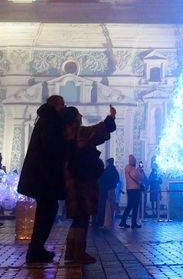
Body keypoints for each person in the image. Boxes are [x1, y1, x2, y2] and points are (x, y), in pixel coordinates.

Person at [61, 105, 116, 266]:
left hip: (71, 180)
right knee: (83, 217)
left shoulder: (64, 135)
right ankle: (79, 252)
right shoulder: (80, 133)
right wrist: (111, 117)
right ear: (73, 119)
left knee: (77, 218)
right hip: (83, 181)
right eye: (78, 115)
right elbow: (100, 130)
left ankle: (70, 251)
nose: (81, 116)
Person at [17, 94, 66, 263]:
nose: (64, 108)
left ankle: (36, 248)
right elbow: (52, 148)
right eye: (62, 105)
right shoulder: (51, 122)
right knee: (46, 213)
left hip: (41, 176)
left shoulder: (44, 119)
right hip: (45, 177)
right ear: (56, 106)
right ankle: (36, 250)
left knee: (45, 212)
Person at [120, 154, 145, 228]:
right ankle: (132, 223)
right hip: (134, 190)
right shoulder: (131, 168)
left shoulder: (128, 168)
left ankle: (124, 221)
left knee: (130, 206)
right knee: (134, 206)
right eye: (134, 160)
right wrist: (140, 170)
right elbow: (139, 176)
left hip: (130, 189)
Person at [95, 158, 120, 228]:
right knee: (111, 206)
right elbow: (118, 180)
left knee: (105, 206)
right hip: (112, 189)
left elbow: (101, 180)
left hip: (105, 189)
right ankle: (110, 220)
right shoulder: (115, 170)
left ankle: (103, 221)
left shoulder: (105, 171)